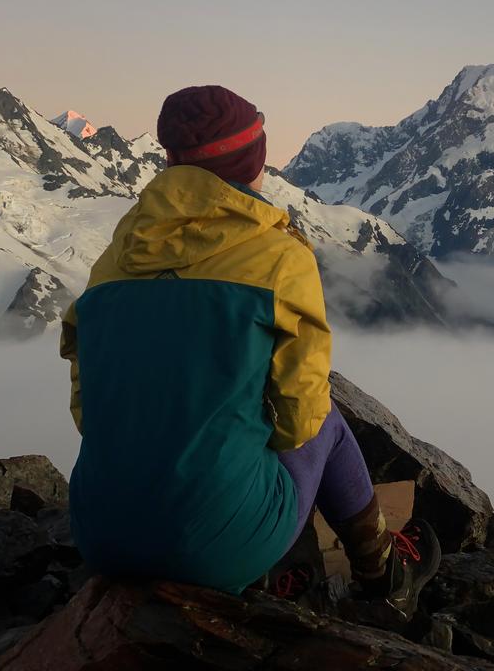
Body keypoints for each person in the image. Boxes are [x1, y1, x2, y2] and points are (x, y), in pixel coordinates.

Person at [59, 85, 440, 618]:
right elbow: (299, 421)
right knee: (326, 420)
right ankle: (384, 576)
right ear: (253, 159)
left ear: (169, 161)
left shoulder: (109, 266)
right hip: (216, 548)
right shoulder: (280, 259)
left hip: (100, 537)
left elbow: (87, 411)